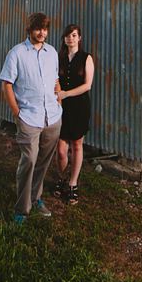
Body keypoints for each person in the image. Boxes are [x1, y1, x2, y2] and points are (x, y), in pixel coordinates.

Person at [0, 12, 62, 224]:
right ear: (29, 30)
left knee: (43, 162)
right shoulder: (16, 53)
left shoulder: (51, 52)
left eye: (45, 29)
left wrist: (58, 103)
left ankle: (36, 199)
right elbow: (7, 84)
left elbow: (55, 80)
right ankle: (21, 210)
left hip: (52, 117)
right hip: (29, 118)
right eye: (38, 28)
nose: (42, 32)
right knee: (29, 161)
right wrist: (17, 114)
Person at [55, 24, 94, 205]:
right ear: (64, 39)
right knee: (61, 151)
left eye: (74, 35)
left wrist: (67, 93)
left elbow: (87, 85)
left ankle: (73, 184)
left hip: (79, 106)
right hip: (61, 106)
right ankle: (61, 178)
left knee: (77, 145)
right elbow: (54, 80)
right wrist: (59, 95)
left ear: (79, 38)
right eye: (67, 36)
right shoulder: (59, 57)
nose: (70, 38)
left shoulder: (86, 58)